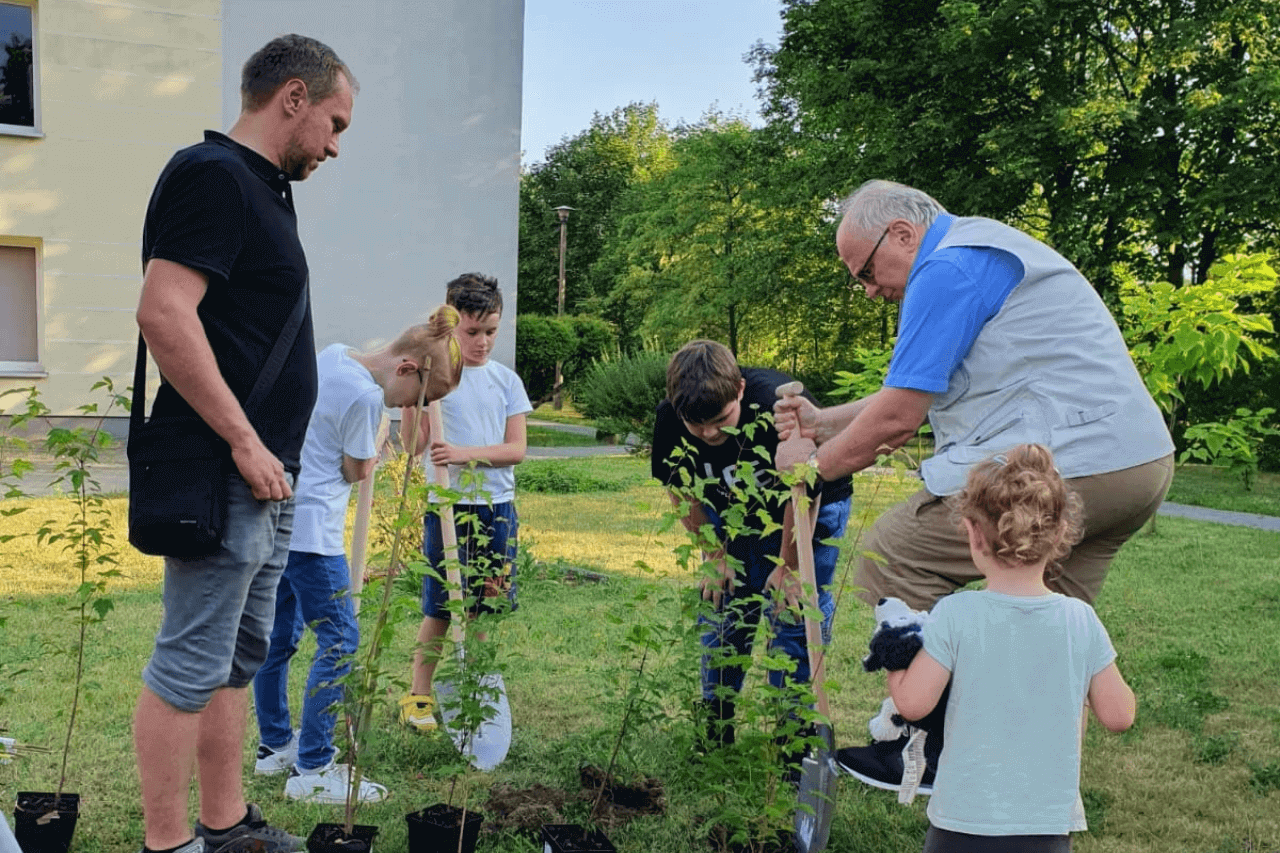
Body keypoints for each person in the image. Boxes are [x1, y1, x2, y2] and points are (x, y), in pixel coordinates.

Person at [774, 180, 1172, 789]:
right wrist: (823, 422)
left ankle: (920, 746)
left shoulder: (946, 270)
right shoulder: (979, 252)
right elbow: (908, 394)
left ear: (903, 234)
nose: (870, 290)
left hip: (1074, 464)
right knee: (1045, 631)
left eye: (867, 271)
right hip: (1138, 467)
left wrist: (809, 468)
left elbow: (900, 419)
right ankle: (1034, 792)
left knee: (893, 550)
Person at [133, 34, 355, 853]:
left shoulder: (261, 189)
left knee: (237, 659)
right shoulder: (214, 175)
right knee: (189, 666)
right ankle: (171, 845)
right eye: (333, 122)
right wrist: (244, 441)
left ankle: (224, 824)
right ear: (292, 97)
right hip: (226, 467)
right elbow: (164, 312)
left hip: (268, 476)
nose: (334, 144)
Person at [251, 308, 463, 803]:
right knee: (340, 642)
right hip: (317, 535)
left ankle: (275, 746)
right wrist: (378, 440)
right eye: (423, 399)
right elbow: (355, 469)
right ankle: (315, 768)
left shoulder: (334, 356)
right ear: (407, 369)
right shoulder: (369, 398)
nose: (413, 407)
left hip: (282, 519)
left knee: (278, 637)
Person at [885, 444, 1136, 852]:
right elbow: (1120, 715)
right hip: (1046, 825)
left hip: (962, 823)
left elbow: (912, 705)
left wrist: (893, 658)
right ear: (1060, 534)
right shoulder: (1080, 620)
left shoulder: (955, 614)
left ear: (971, 532)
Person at [652, 339, 853, 747]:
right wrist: (715, 555)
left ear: (740, 390)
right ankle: (715, 723)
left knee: (793, 614)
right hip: (734, 516)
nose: (709, 433)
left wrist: (789, 568)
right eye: (697, 425)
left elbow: (804, 491)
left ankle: (794, 735)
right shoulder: (671, 416)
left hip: (811, 505)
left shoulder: (777, 410)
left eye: (721, 419)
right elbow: (679, 487)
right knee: (723, 605)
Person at [398, 273, 532, 731]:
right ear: (452, 327)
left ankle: (473, 685)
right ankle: (418, 695)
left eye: (491, 331)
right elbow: (414, 445)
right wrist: (413, 399)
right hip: (448, 508)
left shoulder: (506, 381)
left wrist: (463, 454)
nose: (482, 342)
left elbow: (515, 450)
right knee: (440, 604)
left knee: (483, 604)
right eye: (472, 332)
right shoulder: (439, 381)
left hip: (496, 509)